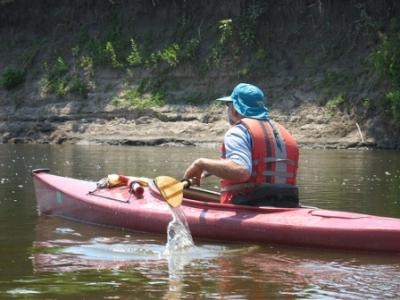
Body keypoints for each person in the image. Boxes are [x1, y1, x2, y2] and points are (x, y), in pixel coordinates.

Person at [183, 83, 299, 206]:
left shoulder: (238, 131)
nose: (228, 109)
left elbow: (241, 171)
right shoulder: (282, 133)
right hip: (287, 205)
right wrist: (211, 168)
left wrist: (201, 163)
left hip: (249, 206)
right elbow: (261, 164)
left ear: (235, 109)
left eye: (228, 104)